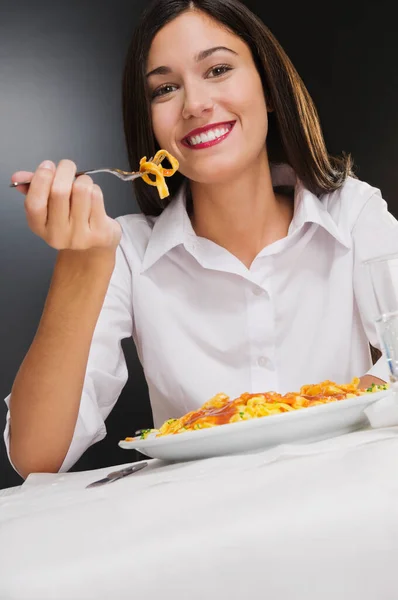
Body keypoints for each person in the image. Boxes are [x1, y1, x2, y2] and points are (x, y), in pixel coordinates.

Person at [4, 0, 398, 478]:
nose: (194, 105)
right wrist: (80, 263)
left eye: (217, 69)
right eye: (165, 89)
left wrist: (354, 399)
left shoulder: (352, 214)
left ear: (268, 88)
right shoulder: (126, 251)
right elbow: (36, 456)